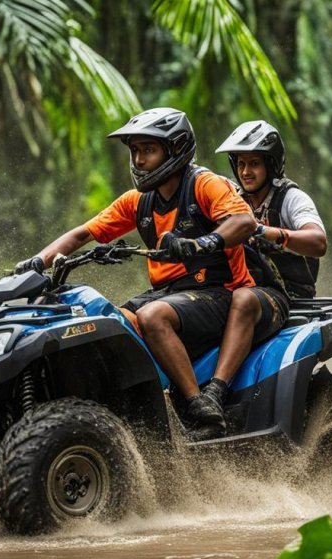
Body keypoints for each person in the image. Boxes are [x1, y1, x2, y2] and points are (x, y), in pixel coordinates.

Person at [13, 107, 255, 437]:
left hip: (220, 291)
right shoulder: (138, 201)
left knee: (154, 317)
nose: (139, 160)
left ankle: (200, 408)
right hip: (170, 294)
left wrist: (204, 243)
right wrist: (36, 263)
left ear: (176, 149)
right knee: (109, 324)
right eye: (136, 151)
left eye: (148, 150)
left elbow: (243, 221)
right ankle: (130, 409)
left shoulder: (204, 185)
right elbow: (82, 233)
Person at [198, 121, 328, 413]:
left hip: (287, 295)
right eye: (241, 163)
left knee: (243, 302)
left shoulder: (291, 198)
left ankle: (216, 393)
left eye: (254, 163)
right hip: (239, 290)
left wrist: (271, 234)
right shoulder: (232, 200)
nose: (246, 171)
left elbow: (318, 242)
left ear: (272, 164)